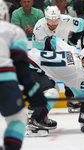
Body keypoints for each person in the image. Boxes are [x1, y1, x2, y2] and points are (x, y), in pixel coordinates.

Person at [27, 35, 84, 135]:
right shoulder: (78, 74)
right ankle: (34, 122)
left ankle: (38, 113)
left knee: (53, 87)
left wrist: (48, 59)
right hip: (30, 66)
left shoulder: (73, 50)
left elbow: (51, 39)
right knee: (52, 93)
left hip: (29, 59)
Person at [0, 0, 47, 148]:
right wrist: (32, 90)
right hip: (4, 80)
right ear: (5, 14)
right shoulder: (13, 31)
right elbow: (21, 64)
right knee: (17, 118)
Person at [32, 5, 84, 112]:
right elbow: (37, 50)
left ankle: (71, 99)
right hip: (47, 56)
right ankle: (37, 107)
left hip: (63, 52)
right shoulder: (39, 27)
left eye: (56, 20)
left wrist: (73, 41)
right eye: (50, 21)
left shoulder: (66, 19)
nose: (53, 24)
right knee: (50, 86)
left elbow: (83, 24)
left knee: (71, 73)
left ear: (59, 17)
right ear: (45, 18)